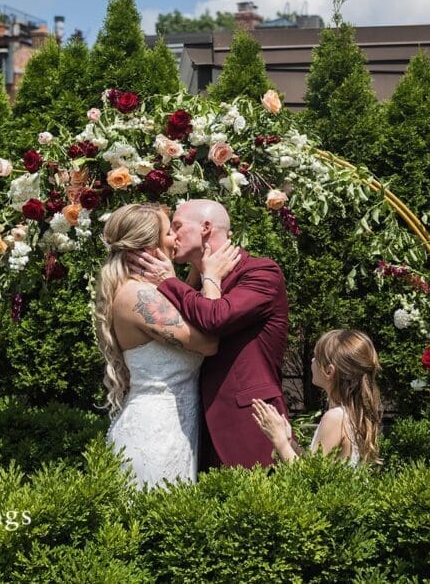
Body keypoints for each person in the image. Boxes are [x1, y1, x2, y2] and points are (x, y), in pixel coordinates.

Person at [129, 199, 290, 470]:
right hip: (194, 427)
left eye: (177, 226)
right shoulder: (192, 284)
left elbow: (215, 319)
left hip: (250, 423)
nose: (172, 236)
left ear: (205, 228)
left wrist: (169, 281)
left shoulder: (261, 272)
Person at [95, 203, 240, 487]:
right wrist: (211, 278)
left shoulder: (149, 291)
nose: (175, 238)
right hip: (154, 434)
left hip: (174, 428)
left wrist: (191, 272)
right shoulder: (138, 297)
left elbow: (182, 307)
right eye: (169, 232)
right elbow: (208, 341)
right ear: (150, 246)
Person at [251, 329, 382, 466]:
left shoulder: (335, 418)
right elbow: (315, 466)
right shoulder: (350, 414)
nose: (312, 360)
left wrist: (279, 440)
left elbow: (308, 475)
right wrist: (290, 443)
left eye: (316, 357)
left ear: (329, 371)